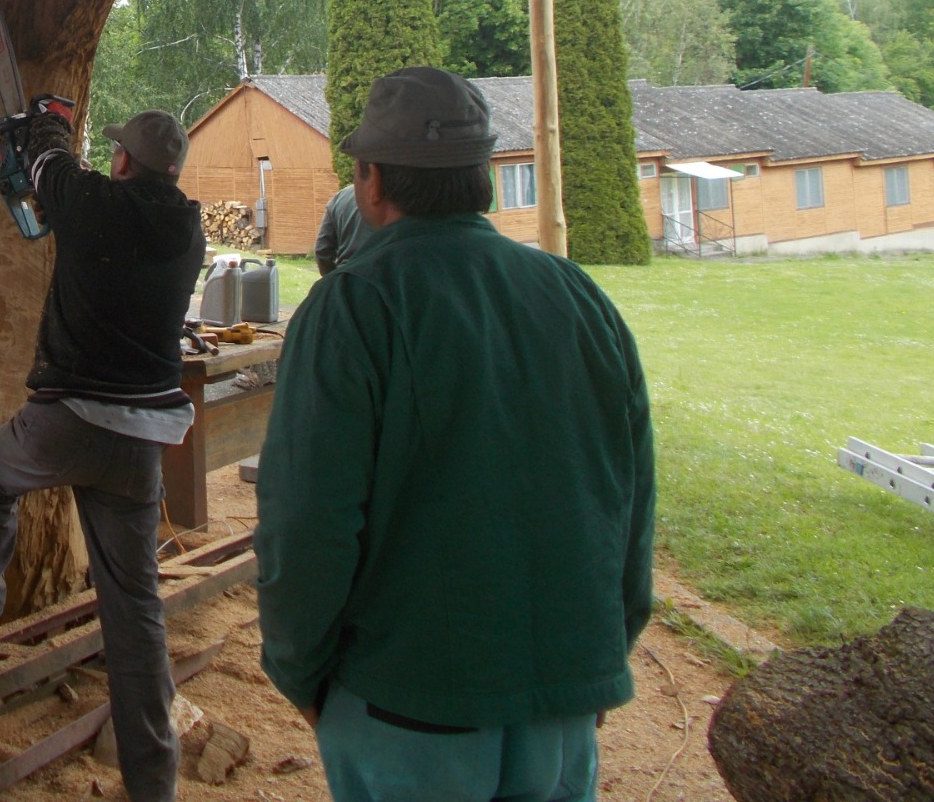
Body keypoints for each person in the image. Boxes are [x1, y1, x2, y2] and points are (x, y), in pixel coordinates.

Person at [255, 67, 655, 802]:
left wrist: (297, 669)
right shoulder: (580, 296)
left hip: (408, 706)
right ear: (483, 180)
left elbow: (308, 523)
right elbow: (626, 499)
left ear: (370, 182)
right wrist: (600, 654)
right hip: (561, 698)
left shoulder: (351, 308)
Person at [0, 107, 207, 802]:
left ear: (124, 162)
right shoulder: (186, 229)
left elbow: (53, 172)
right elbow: (65, 189)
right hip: (138, 439)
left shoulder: (93, 206)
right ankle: (154, 779)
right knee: (134, 604)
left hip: (66, 418)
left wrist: (47, 137)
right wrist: (50, 150)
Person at [311, 180, 371, 276]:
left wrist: (333, 280)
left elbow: (322, 251)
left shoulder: (339, 198)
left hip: (345, 278)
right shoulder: (393, 200)